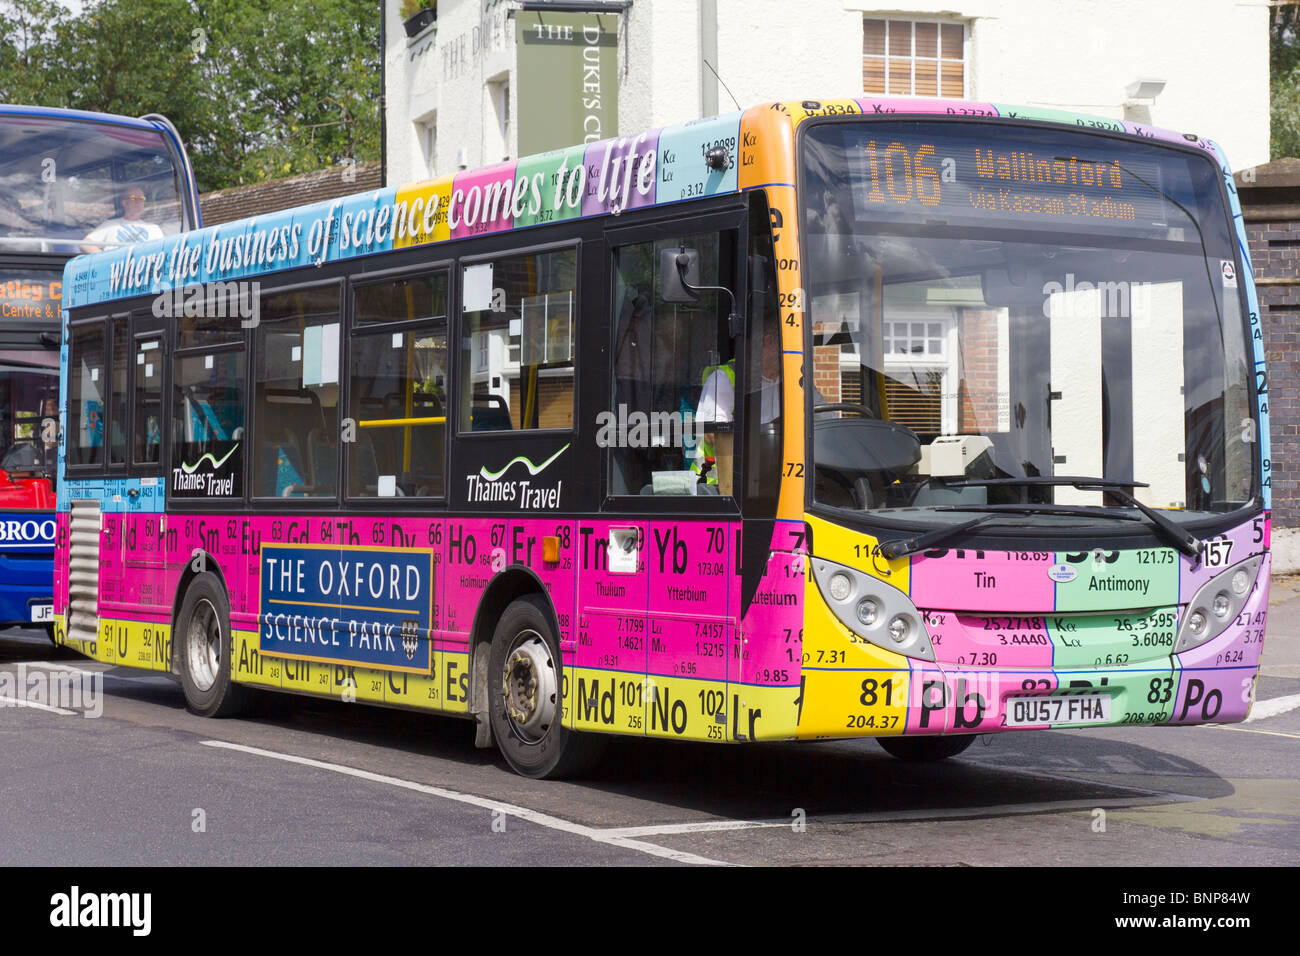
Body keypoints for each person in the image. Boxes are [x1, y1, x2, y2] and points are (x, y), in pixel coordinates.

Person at [83, 187, 163, 251]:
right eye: (134, 198)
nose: (138, 202)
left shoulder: (154, 228)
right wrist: (106, 259)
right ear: (125, 203)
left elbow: (162, 250)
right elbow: (86, 244)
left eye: (141, 198)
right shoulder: (110, 225)